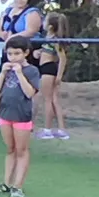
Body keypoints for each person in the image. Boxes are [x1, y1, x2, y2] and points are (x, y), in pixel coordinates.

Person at [0, 35, 40, 197]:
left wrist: (20, 74)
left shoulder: (31, 71)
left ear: (26, 53)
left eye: (17, 53)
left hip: (22, 115)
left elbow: (30, 93)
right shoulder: (7, 69)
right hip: (5, 113)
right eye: (10, 54)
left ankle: (18, 186)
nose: (13, 57)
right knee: (10, 149)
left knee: (21, 150)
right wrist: (3, 73)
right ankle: (6, 183)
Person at [35, 11, 70, 140]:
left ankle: (48, 129)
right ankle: (61, 129)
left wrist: (59, 76)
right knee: (54, 99)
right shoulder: (48, 39)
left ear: (50, 26)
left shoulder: (55, 40)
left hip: (48, 69)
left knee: (47, 100)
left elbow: (62, 58)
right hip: (46, 68)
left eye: (45, 21)